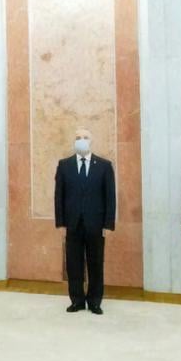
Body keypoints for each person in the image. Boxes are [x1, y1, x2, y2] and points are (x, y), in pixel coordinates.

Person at [54, 128, 116, 315]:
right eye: (78, 137)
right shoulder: (64, 165)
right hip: (72, 224)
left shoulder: (104, 165)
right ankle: (77, 301)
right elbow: (59, 196)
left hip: (96, 224)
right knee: (74, 264)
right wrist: (60, 223)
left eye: (85, 137)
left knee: (95, 264)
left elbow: (110, 197)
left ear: (91, 141)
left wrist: (108, 224)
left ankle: (95, 301)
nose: (81, 140)